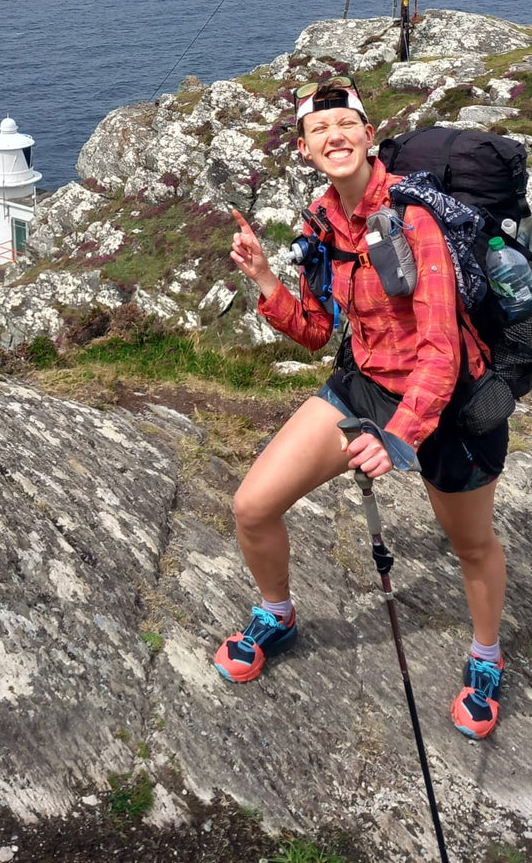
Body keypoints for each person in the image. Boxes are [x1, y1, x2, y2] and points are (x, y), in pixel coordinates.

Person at [212, 76, 509, 740]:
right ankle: (277, 612)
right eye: (320, 131)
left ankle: (486, 656)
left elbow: (441, 352)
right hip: (366, 380)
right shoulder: (320, 220)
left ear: (369, 136)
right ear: (306, 149)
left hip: (452, 400)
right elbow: (318, 329)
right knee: (252, 505)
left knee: (470, 543)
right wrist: (263, 277)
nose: (335, 136)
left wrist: (399, 438)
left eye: (346, 124)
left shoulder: (414, 216)